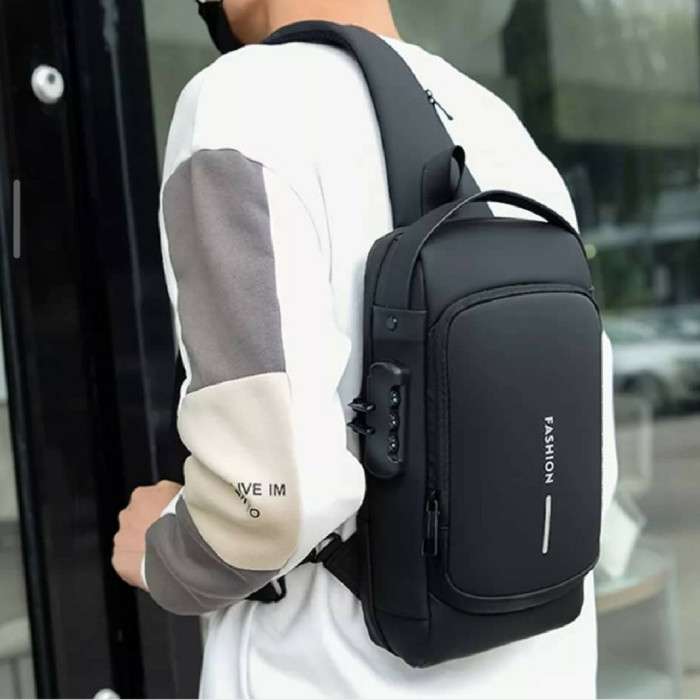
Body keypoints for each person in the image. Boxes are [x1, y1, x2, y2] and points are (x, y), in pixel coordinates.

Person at [112, 0, 618, 697]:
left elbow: (268, 503)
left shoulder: (240, 101)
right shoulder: (502, 129)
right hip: (543, 672)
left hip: (332, 675)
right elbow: (587, 462)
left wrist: (164, 549)